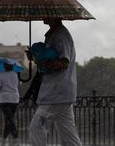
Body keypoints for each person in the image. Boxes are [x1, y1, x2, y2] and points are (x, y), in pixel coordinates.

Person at [27, 18, 82, 146]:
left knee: (36, 127)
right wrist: (35, 57)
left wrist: (43, 61)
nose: (43, 16)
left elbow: (64, 63)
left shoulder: (60, 35)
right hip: (61, 93)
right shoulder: (55, 34)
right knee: (68, 134)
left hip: (56, 93)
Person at [0, 62, 20, 146]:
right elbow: (17, 85)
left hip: (5, 99)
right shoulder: (15, 75)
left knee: (9, 120)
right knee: (9, 120)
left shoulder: (1, 75)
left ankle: (15, 137)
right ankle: (4, 139)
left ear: (4, 67)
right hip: (15, 99)